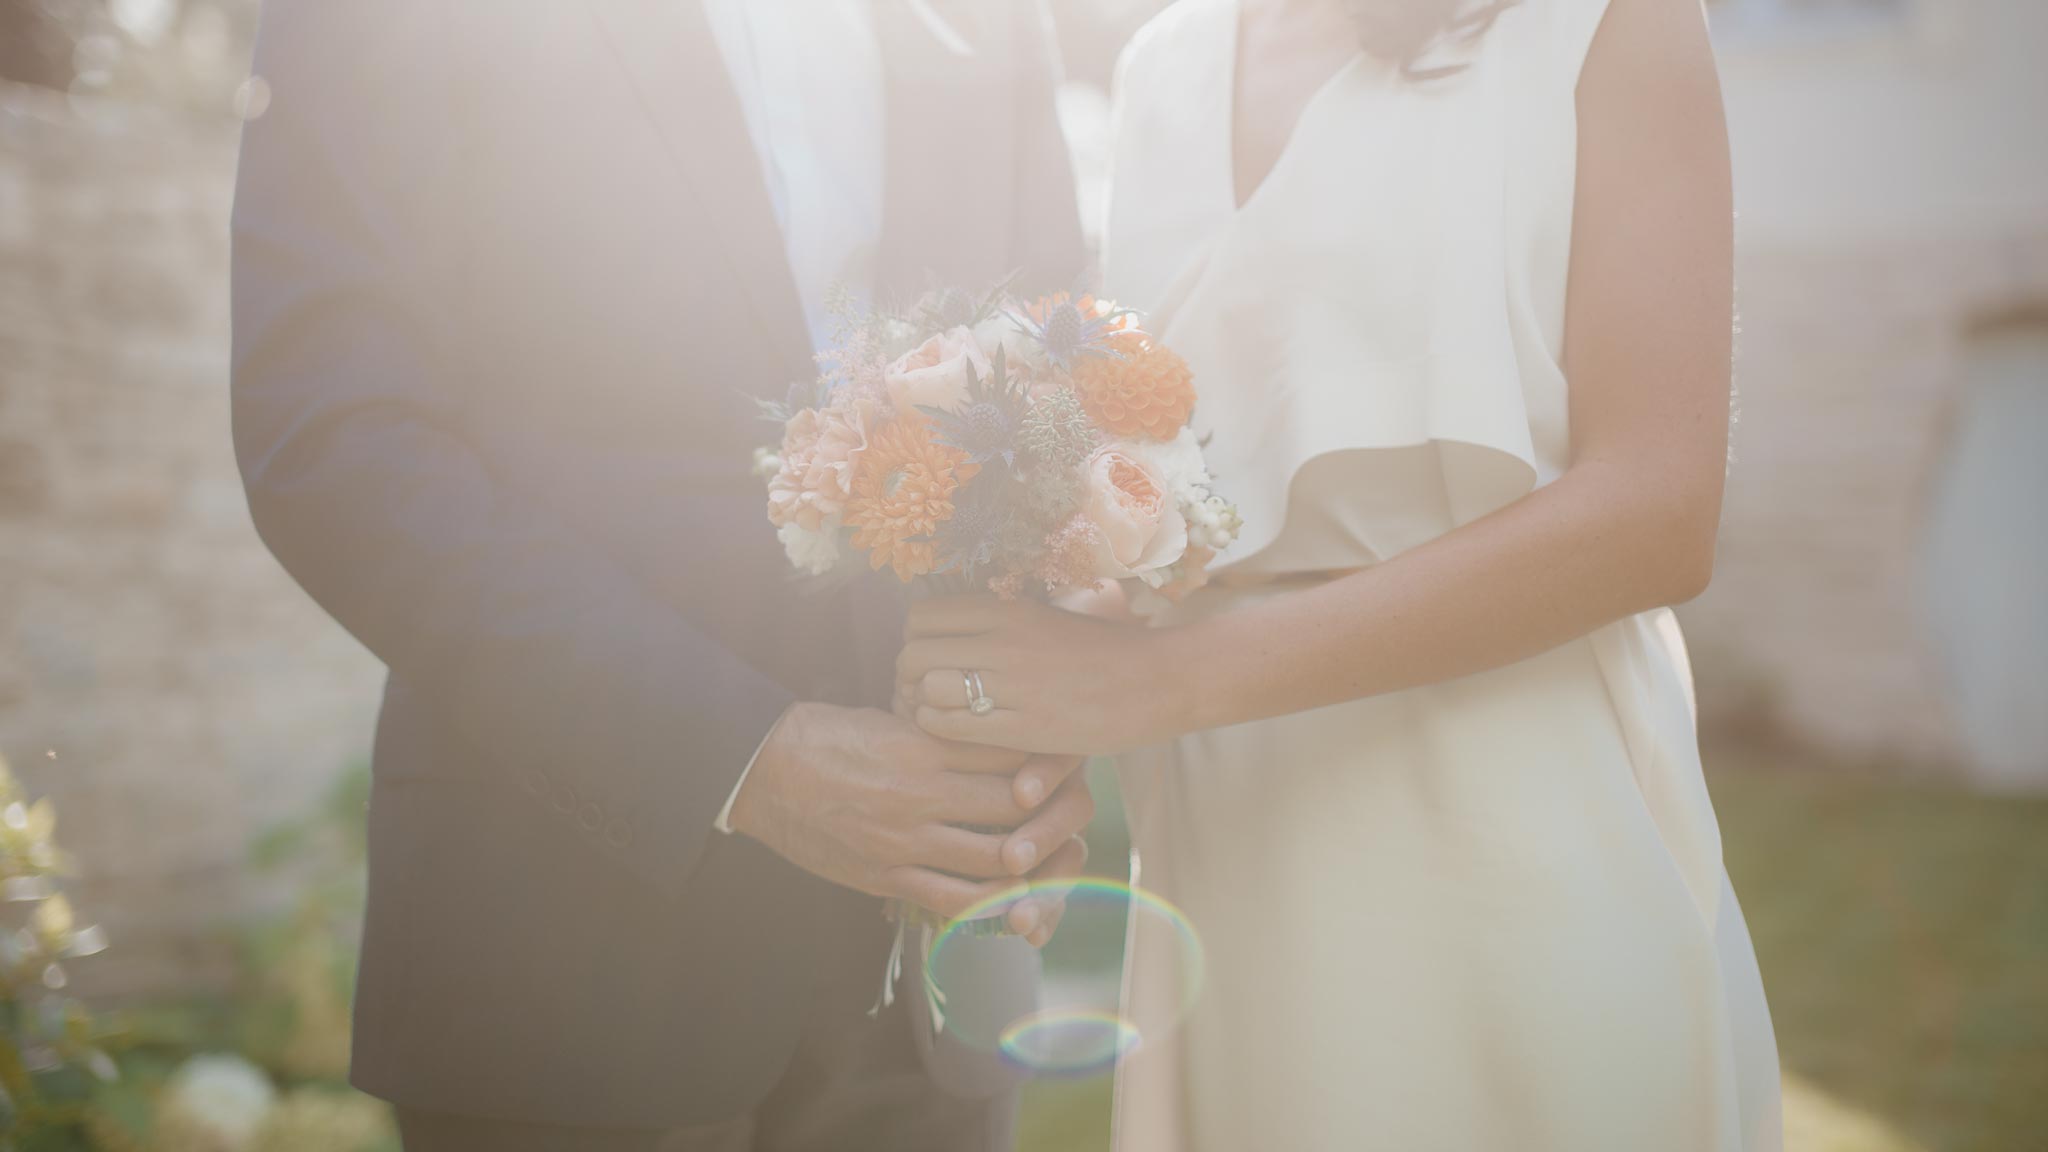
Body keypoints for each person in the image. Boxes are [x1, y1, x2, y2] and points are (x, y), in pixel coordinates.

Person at [896, 0, 1784, 1147]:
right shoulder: (1163, 63)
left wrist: (1162, 686)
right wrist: (1034, 688)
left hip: (1506, 829)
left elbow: (1657, 509)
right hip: (1233, 850)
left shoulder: (1602, 22)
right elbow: (1212, 502)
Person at [230, 2, 1091, 1149]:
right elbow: (337, 447)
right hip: (567, 956)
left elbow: (1050, 397)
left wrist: (1025, 743)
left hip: (940, 962)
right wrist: (746, 761)